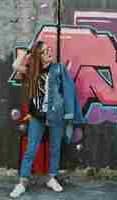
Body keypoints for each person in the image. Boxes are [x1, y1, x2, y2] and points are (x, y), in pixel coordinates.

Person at [10, 40, 84, 198]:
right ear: (38, 56)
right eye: (44, 51)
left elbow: (69, 91)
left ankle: (51, 178)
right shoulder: (32, 71)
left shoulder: (59, 68)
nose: (49, 53)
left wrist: (69, 115)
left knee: (55, 148)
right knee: (31, 149)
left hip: (56, 116)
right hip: (37, 116)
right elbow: (16, 66)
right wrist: (26, 53)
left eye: (49, 50)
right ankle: (22, 182)